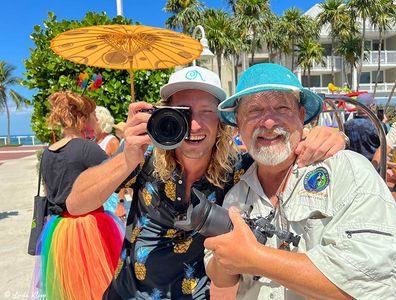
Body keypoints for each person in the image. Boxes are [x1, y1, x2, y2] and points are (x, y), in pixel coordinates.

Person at [67, 66, 347, 299]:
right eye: (184, 112)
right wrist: (126, 157)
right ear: (165, 114)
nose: (195, 125)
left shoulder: (240, 171)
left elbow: (282, 149)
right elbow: (76, 203)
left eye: (206, 112)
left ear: (224, 122)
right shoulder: (143, 157)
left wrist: (329, 137)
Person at [204, 63, 396, 299]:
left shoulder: (348, 171)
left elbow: (371, 281)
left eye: (281, 107)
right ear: (238, 122)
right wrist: (225, 257)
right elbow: (222, 277)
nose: (268, 122)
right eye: (254, 111)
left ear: (301, 116)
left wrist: (255, 257)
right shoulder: (236, 194)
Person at [34, 92, 124, 299]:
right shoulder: (87, 149)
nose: (96, 119)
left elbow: (50, 193)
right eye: (93, 115)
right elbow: (118, 175)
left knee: (71, 289)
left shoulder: (49, 152)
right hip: (89, 226)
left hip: (59, 229)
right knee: (100, 287)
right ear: (83, 118)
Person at [344, 93, 386, 161]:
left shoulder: (346, 125)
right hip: (373, 167)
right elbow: (384, 148)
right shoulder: (379, 126)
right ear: (372, 106)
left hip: (353, 166)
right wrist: (383, 124)